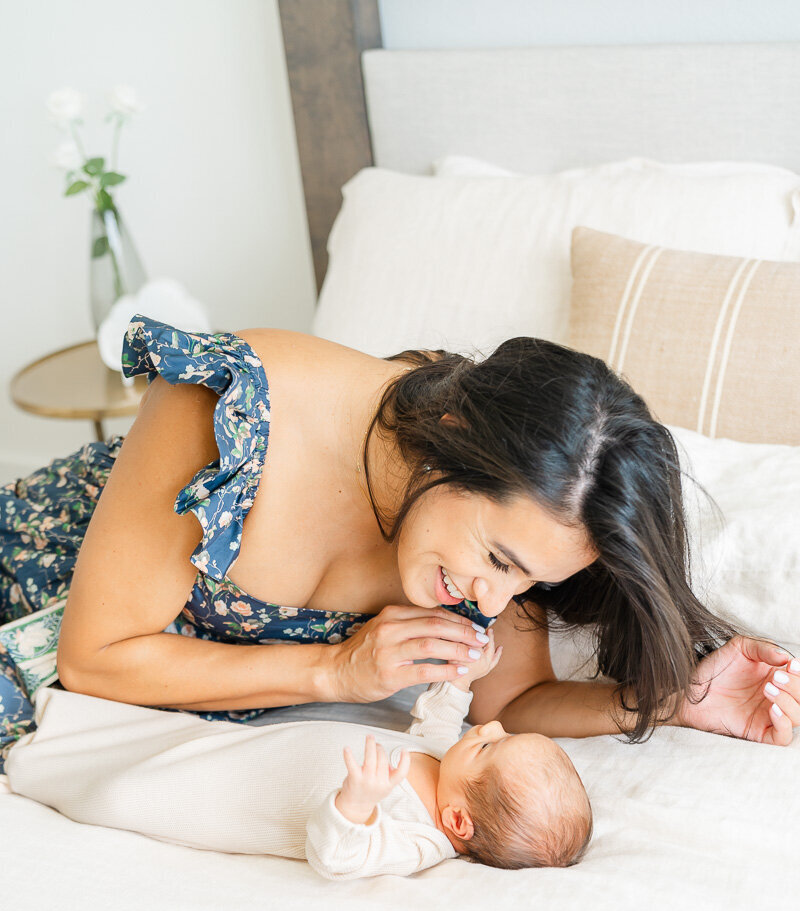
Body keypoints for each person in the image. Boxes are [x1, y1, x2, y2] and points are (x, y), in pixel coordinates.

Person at [1, 315, 798, 772]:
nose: (494, 602)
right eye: (500, 562)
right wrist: (334, 670)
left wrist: (673, 700)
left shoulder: (505, 534)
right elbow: (94, 657)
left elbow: (511, 703)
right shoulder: (228, 408)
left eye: (526, 586)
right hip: (30, 592)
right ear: (452, 440)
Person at [5, 628, 592, 879]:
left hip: (226, 795)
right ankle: (49, 721)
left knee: (126, 785)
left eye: (489, 747)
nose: (487, 725)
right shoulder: (443, 768)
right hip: (245, 749)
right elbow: (436, 719)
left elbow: (340, 858)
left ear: (458, 822)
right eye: (501, 730)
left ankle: (24, 754)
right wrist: (466, 677)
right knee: (149, 736)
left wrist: (356, 805)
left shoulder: (420, 839)